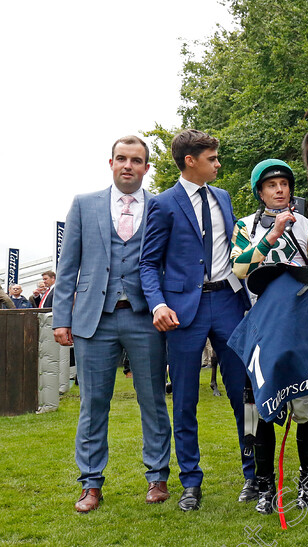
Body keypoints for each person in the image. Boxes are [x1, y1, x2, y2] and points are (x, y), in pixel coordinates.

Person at [52, 136, 172, 513]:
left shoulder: (160, 206)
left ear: (146, 168)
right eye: (121, 158)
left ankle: (158, 477)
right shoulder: (84, 205)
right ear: (110, 162)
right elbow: (68, 265)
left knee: (153, 401)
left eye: (136, 160)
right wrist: (61, 318)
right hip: (93, 319)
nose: (128, 166)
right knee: (93, 404)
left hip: (144, 317)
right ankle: (90, 484)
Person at [139, 129, 253, 511]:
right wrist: (157, 305)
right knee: (185, 400)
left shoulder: (223, 197)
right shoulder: (163, 204)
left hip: (228, 303)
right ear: (191, 160)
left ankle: (254, 476)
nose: (218, 164)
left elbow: (237, 251)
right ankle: (190, 482)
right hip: (182, 312)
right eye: (213, 158)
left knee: (244, 395)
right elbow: (148, 263)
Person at [230, 159, 308, 514]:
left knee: (304, 406)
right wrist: (271, 236)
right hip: (261, 327)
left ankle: (307, 484)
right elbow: (239, 267)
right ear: (260, 192)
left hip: (301, 326)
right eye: (272, 185)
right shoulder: (244, 226)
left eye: (284, 183)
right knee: (264, 407)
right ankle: (266, 485)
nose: (280, 189)